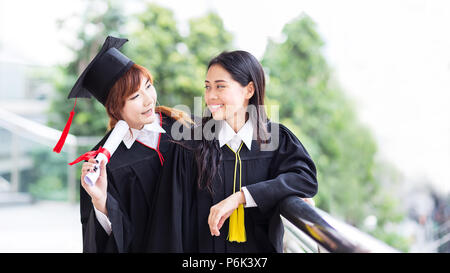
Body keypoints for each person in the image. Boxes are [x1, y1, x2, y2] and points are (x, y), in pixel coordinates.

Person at [147, 50, 318, 253]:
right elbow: (169, 226)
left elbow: (305, 179)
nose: (210, 96)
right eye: (207, 87)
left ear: (249, 90)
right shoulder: (189, 146)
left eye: (220, 86)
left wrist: (242, 197)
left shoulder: (275, 140)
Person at [53, 36, 192, 252]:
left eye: (148, 86)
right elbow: (106, 241)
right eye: (135, 96)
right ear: (116, 108)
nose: (148, 100)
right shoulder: (105, 163)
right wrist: (101, 203)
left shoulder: (182, 128)